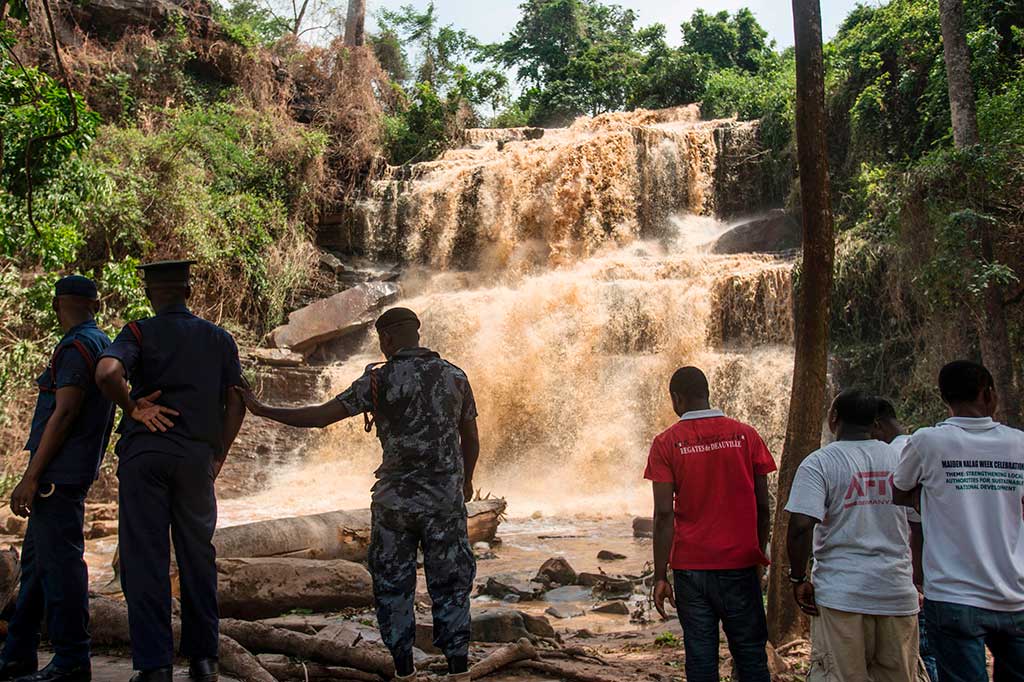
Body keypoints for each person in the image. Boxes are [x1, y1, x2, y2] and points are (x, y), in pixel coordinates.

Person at [237, 307, 480, 682]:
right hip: (444, 502)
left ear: (386, 339)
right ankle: (458, 670)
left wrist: (262, 409)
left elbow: (320, 417)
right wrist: (465, 483)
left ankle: (404, 671)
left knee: (394, 588)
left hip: (394, 506)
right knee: (451, 586)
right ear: (417, 334)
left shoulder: (378, 380)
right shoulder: (455, 376)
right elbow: (471, 439)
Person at [94, 261, 246, 682]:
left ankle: (155, 666)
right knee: (198, 556)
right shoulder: (219, 338)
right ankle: (204, 660)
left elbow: (107, 372)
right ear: (189, 291)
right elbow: (237, 401)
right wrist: (219, 454)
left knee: (145, 559)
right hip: (195, 459)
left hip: (145, 456)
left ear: (149, 295)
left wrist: (133, 408)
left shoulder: (138, 332)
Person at [0, 276, 115, 682]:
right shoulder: (100, 343)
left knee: (63, 569)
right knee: (35, 567)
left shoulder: (74, 347)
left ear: (55, 305)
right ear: (96, 305)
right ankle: (17, 654)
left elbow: (64, 413)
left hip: (57, 477)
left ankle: (72, 660)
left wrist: (31, 477)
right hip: (68, 473)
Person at [893, 361, 1024, 681]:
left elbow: (898, 491)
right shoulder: (1019, 443)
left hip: (952, 596)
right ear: (989, 394)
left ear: (944, 398)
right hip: (1015, 593)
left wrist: (937, 498)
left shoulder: (926, 441)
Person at [645, 366, 775, 682]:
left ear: (676, 398)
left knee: (701, 659)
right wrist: (758, 555)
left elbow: (663, 515)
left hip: (691, 569)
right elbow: (763, 506)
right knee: (751, 657)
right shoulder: (746, 435)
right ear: (707, 393)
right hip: (740, 564)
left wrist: (660, 575)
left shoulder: (666, 442)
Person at [785, 389, 923, 682]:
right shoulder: (900, 460)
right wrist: (917, 580)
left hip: (842, 596)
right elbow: (918, 526)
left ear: (833, 418)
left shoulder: (819, 462)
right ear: (875, 422)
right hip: (896, 593)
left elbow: (800, 526)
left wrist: (798, 578)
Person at [873, 398, 938, 682]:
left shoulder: (894, 455)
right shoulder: (927, 448)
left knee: (922, 656)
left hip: (909, 577)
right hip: (941, 571)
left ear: (877, 426)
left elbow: (915, 527)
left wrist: (917, 579)